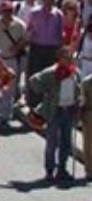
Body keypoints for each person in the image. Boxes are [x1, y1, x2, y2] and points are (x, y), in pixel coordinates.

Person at [22, 49, 87, 183]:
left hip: (68, 110)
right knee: (52, 142)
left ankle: (62, 169)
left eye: (69, 57)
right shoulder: (51, 72)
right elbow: (33, 81)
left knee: (66, 142)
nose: (68, 60)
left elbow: (79, 89)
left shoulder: (75, 73)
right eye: (65, 57)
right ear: (59, 58)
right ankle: (50, 170)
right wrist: (46, 91)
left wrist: (79, 100)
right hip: (54, 110)